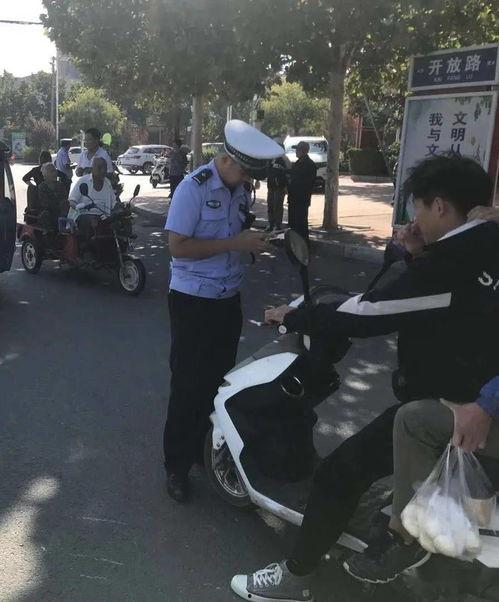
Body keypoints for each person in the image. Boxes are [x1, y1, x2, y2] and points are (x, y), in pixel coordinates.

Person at [231, 154, 499, 602]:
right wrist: (416, 253)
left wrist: (295, 316)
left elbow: (370, 312)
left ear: (439, 206)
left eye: (418, 210)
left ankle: (297, 576)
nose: (414, 222)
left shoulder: (448, 264)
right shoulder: (488, 241)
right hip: (474, 394)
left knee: (339, 474)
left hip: (449, 406)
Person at [163, 119, 284, 503]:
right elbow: (177, 247)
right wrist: (235, 243)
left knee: (218, 382)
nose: (248, 180)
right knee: (188, 385)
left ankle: (202, 448)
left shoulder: (239, 190)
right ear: (228, 160)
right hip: (193, 301)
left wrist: (253, 242)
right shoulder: (193, 188)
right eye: (245, 172)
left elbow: (235, 235)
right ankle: (176, 466)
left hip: (227, 299)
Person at [69, 157, 116, 238]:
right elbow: (71, 201)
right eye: (99, 168)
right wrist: (78, 207)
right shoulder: (83, 181)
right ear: (92, 168)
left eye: (105, 168)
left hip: (103, 217)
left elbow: (114, 202)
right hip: (84, 216)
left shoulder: (107, 183)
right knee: (93, 221)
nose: (103, 171)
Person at [287, 141, 317, 245]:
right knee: (293, 224)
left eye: (298, 150)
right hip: (293, 198)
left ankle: (304, 245)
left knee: (301, 224)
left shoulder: (309, 165)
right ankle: (294, 245)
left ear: (303, 151)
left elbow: (307, 183)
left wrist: (293, 183)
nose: (296, 151)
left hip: (301, 199)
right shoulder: (297, 163)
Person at [37, 162, 69, 230]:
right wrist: (58, 203)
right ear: (45, 175)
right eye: (52, 172)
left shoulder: (60, 185)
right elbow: (45, 203)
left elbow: (65, 198)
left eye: (55, 171)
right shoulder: (42, 187)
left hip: (61, 211)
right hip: (49, 212)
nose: (55, 173)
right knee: (45, 214)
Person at [265, 154, 287, 231]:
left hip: (279, 187)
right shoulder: (270, 159)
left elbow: (286, 171)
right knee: (270, 205)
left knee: (277, 206)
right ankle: (270, 223)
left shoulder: (283, 159)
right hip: (271, 186)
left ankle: (277, 225)